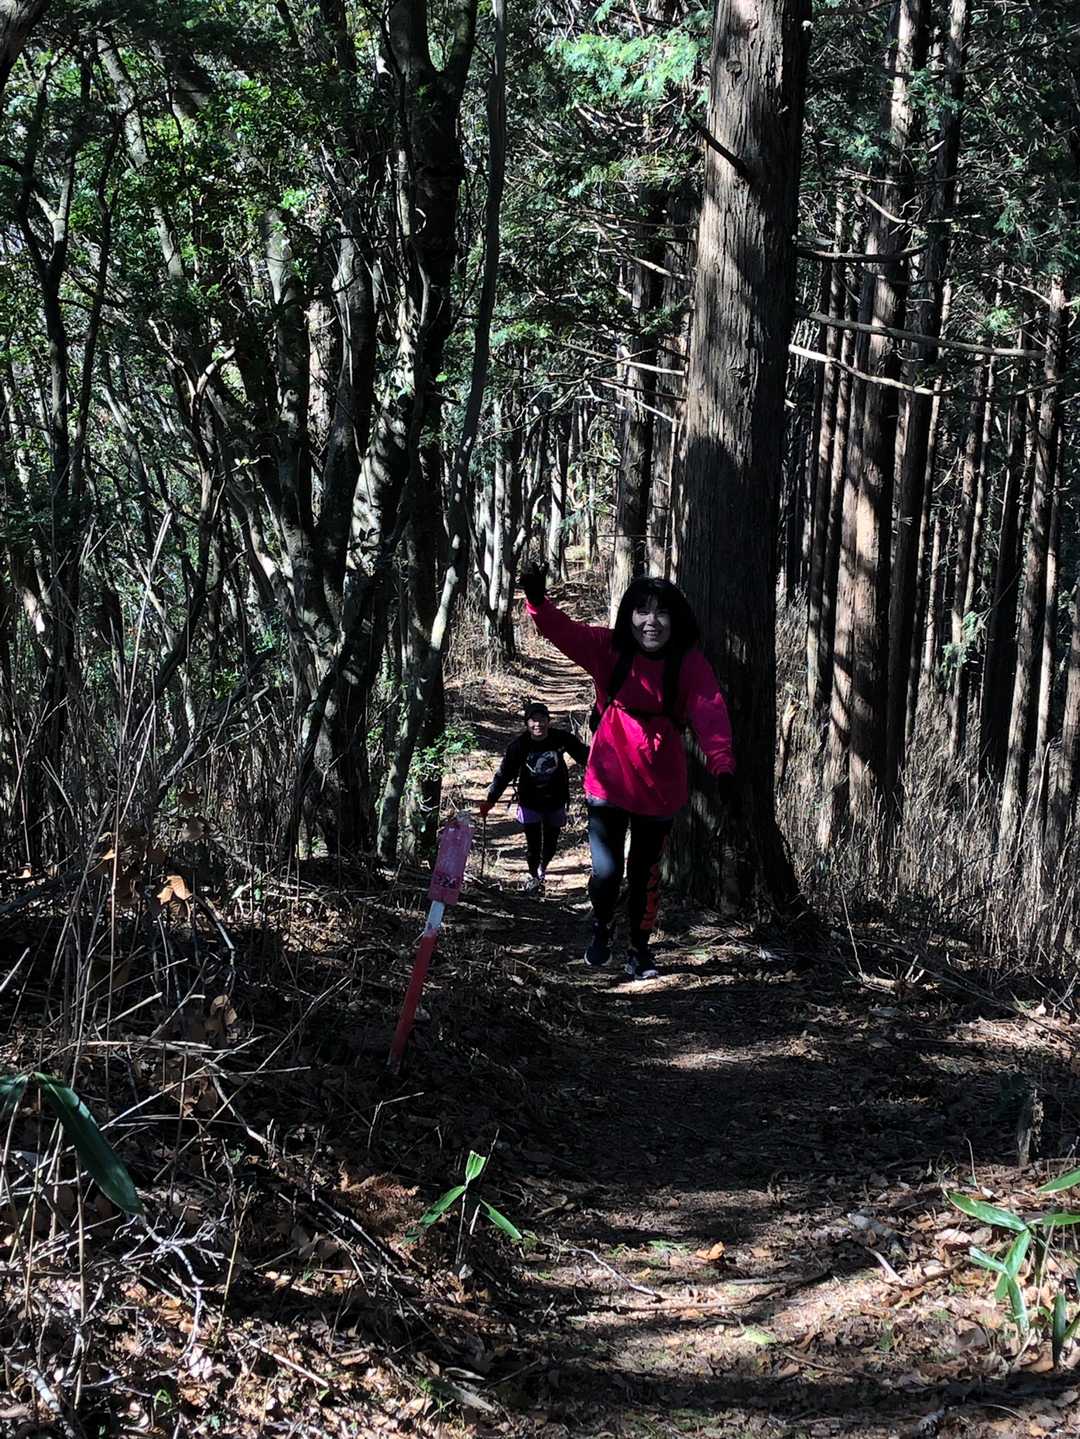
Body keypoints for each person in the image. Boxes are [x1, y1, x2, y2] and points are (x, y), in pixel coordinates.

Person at [519, 563, 735, 979]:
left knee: (644, 875)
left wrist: (723, 765)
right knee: (607, 873)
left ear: (676, 619)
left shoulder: (688, 663)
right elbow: (564, 632)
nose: (651, 621)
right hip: (608, 781)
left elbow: (711, 713)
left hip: (660, 788)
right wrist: (537, 601)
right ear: (629, 616)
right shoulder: (609, 648)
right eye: (642, 610)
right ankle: (601, 925)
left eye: (662, 612)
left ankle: (639, 950)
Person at [478, 701, 589, 892]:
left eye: (542, 719)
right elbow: (504, 774)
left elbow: (585, 757)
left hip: (556, 800)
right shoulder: (519, 746)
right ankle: (534, 876)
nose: (538, 724)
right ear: (526, 723)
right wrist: (491, 800)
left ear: (548, 721)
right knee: (533, 845)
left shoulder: (560, 739)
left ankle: (543, 868)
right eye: (533, 720)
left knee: (551, 844)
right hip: (529, 802)